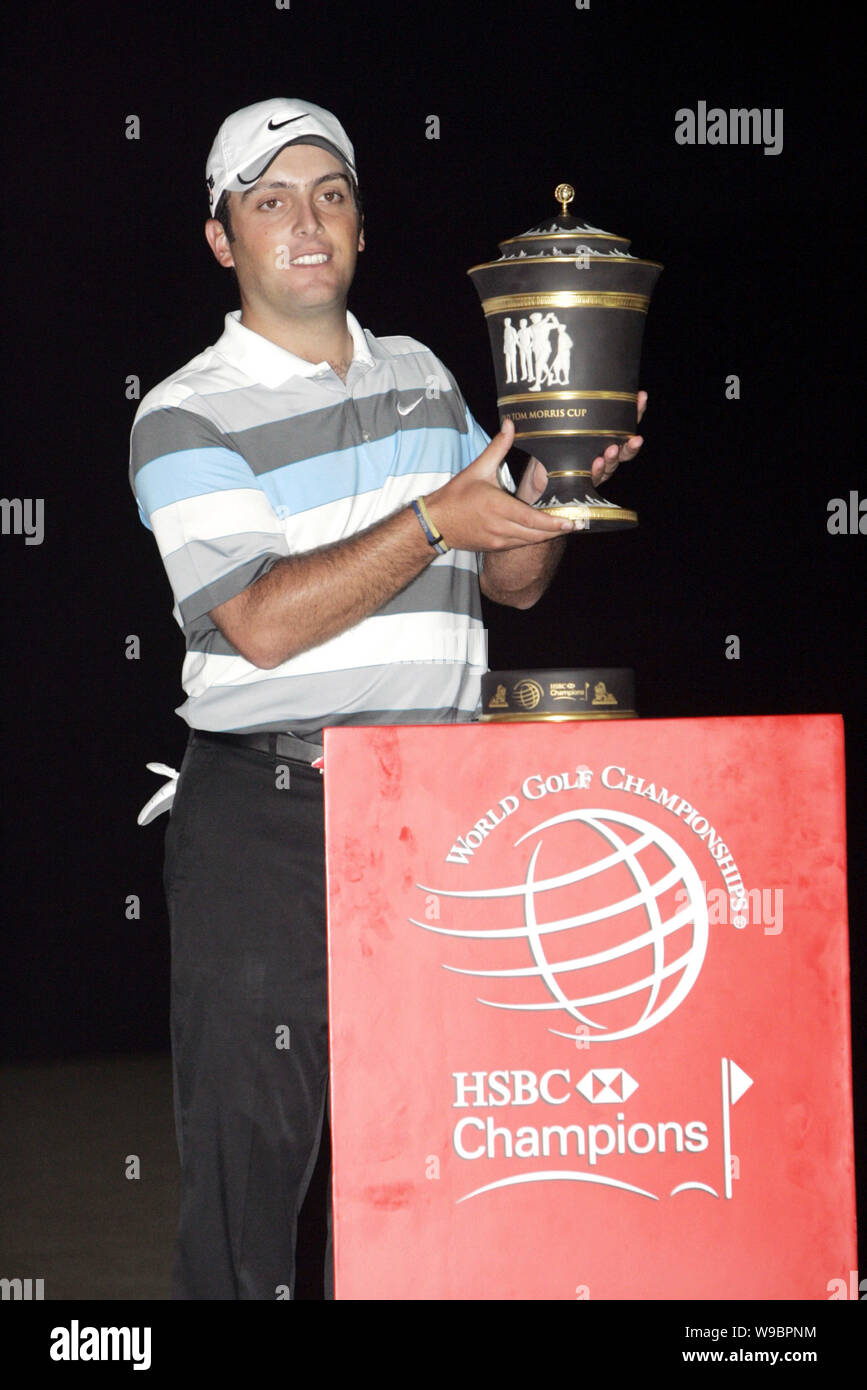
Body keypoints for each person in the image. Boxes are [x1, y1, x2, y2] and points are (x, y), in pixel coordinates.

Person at [128, 97, 646, 1301]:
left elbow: (509, 581)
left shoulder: (421, 373)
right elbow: (256, 619)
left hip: (436, 812)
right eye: (269, 201)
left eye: (331, 193)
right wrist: (432, 520)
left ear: (359, 222)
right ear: (223, 239)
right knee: (251, 1178)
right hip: (270, 816)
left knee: (436, 1152)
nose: (306, 223)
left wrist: (553, 485)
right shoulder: (182, 409)